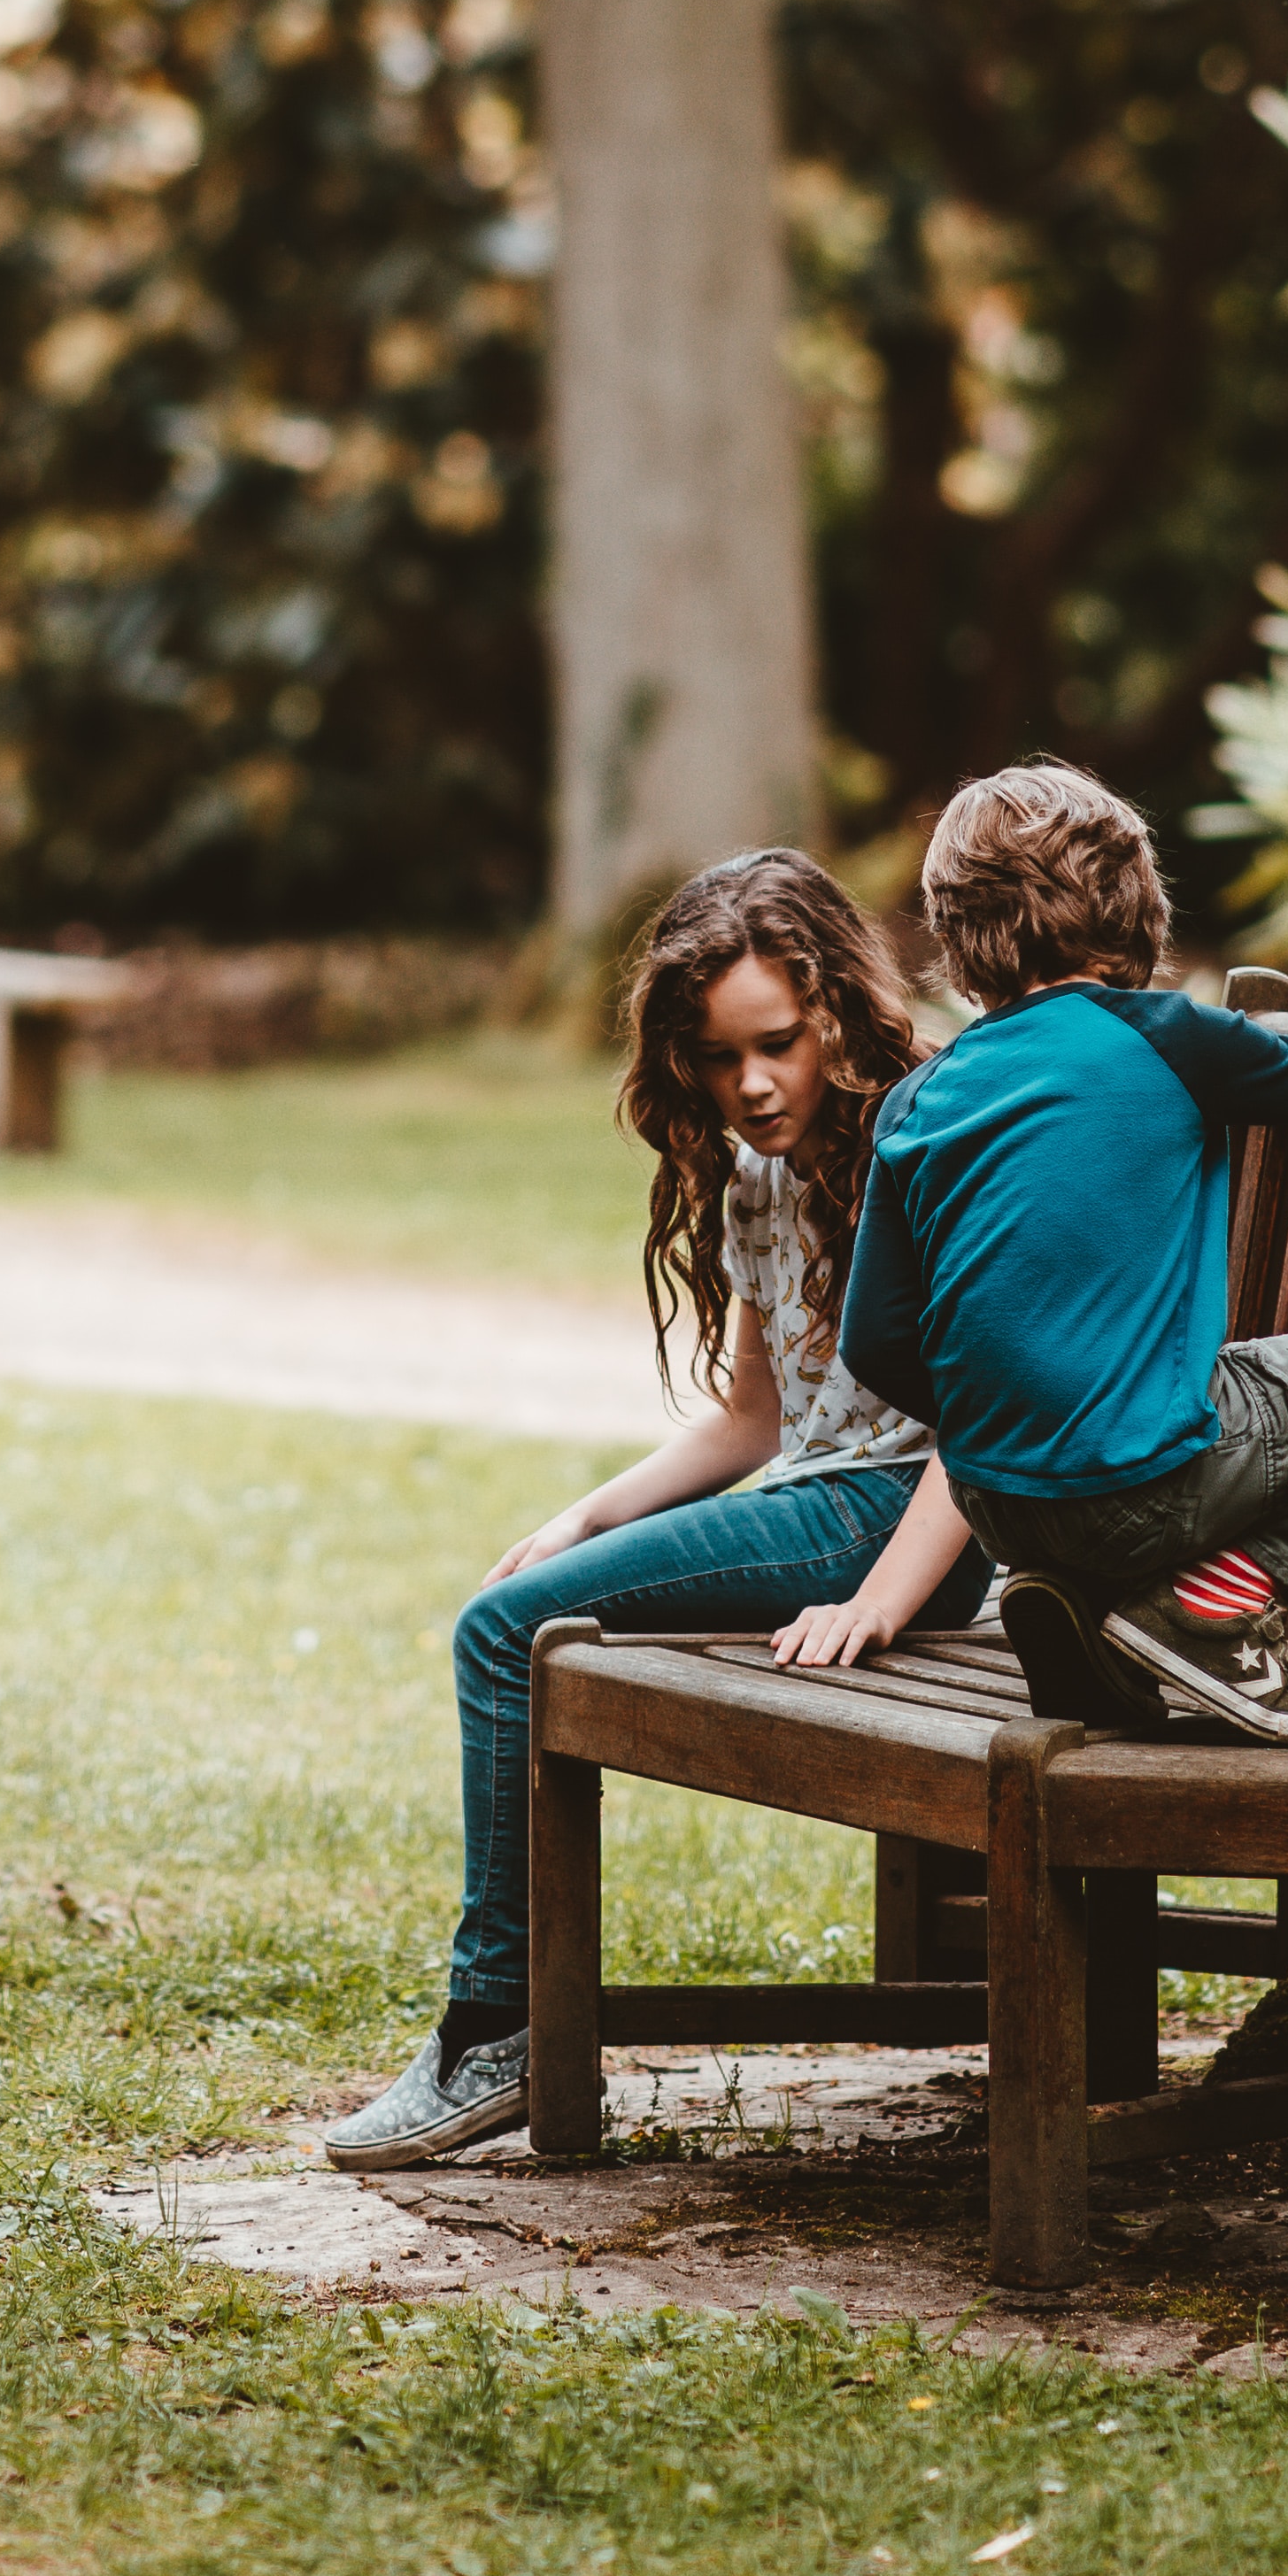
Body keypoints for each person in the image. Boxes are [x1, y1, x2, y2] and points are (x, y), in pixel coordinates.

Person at [323, 850, 986, 2169]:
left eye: (778, 1045)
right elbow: (751, 1417)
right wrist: (586, 1517)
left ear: (837, 1013)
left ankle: (493, 2030)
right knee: (518, 1613)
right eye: (714, 1056)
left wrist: (882, 1595)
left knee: (501, 1636)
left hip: (897, 1527)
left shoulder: (925, 1136)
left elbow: (990, 1414)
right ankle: (499, 2032)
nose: (748, 1084)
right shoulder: (756, 1170)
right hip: (818, 1505)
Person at [842, 759, 1288, 1747]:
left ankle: (1099, 1604)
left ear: (957, 935)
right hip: (1149, 1488)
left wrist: (1020, 1414)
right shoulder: (1163, 1036)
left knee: (1132, 1449)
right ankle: (1220, 1607)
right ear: (1135, 906)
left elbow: (876, 1343)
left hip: (1002, 1507)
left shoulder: (919, 1100)